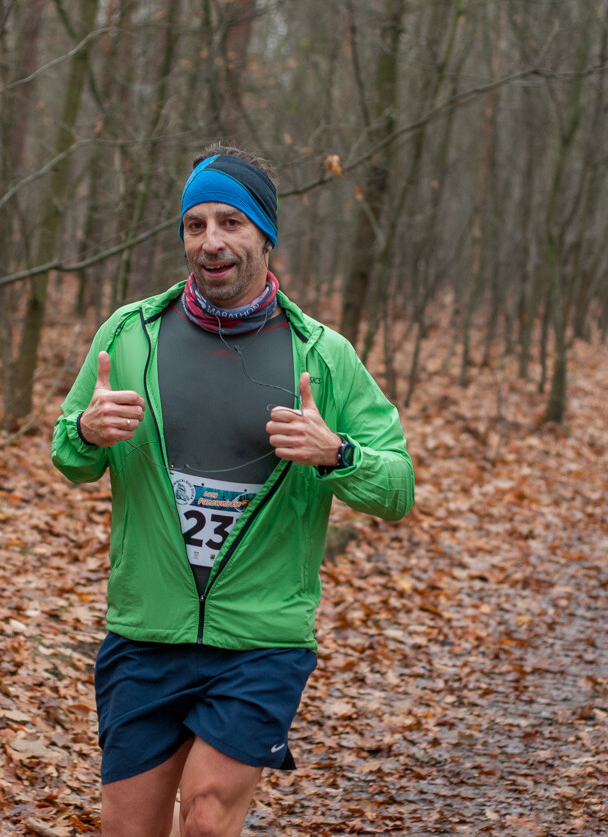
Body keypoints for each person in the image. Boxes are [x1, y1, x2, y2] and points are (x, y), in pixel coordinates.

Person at [51, 144, 415, 837]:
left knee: (211, 813)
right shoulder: (131, 335)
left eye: (231, 222)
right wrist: (88, 432)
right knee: (126, 828)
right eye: (195, 224)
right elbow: (68, 455)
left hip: (261, 635)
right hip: (147, 629)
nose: (211, 241)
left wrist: (336, 452)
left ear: (265, 237)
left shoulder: (321, 354)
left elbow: (398, 486)